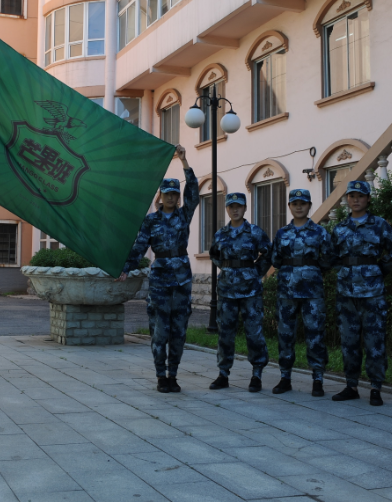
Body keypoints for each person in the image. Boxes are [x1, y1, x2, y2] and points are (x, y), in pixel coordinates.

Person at [118, 145, 197, 394]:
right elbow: (140, 246)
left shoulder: (184, 215)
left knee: (179, 330)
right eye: (167, 193)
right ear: (160, 196)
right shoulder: (151, 220)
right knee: (160, 330)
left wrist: (184, 162)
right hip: (161, 279)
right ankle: (161, 376)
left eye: (174, 194)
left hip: (182, 278)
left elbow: (194, 192)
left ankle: (174, 374)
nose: (171, 197)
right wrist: (127, 268)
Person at [329, 180, 392, 406]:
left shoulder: (380, 225)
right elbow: (331, 256)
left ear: (368, 199)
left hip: (372, 293)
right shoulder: (339, 228)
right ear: (347, 199)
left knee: (375, 341)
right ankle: (351, 385)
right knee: (349, 341)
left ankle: (375, 387)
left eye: (360, 196)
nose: (356, 200)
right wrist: (343, 271)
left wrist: (379, 270)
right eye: (352, 196)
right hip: (346, 294)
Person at [269, 188, 333, 397]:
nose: (299, 207)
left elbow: (328, 259)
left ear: (309, 206)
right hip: (287, 292)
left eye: (303, 203)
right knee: (285, 335)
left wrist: (309, 271)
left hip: (312, 292)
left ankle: (318, 379)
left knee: (315, 335)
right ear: (289, 206)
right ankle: (285, 377)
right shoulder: (282, 233)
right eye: (295, 203)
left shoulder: (320, 232)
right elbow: (276, 259)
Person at [207, 192, 272, 392]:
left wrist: (254, 272)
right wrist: (228, 270)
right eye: (231, 206)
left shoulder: (254, 232)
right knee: (225, 334)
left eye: (239, 206)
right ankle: (223, 374)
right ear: (227, 209)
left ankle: (257, 374)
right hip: (227, 291)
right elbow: (214, 254)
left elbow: (268, 253)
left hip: (250, 292)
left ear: (245, 208)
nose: (235, 210)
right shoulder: (221, 234)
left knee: (254, 333)